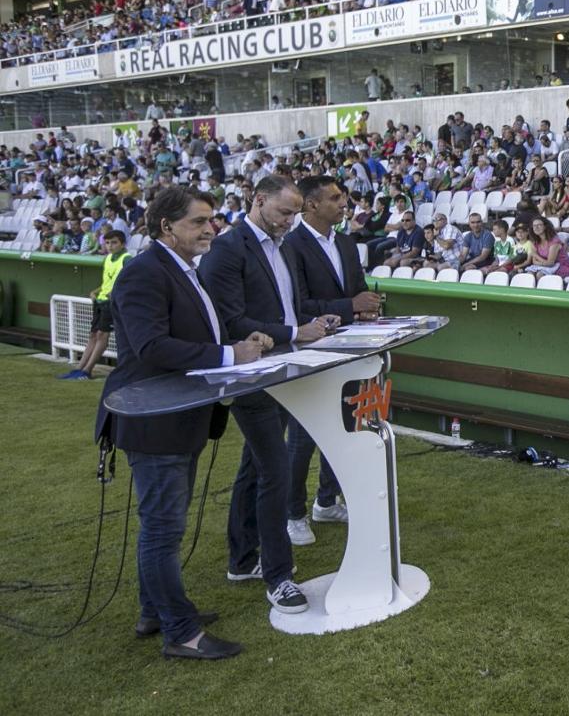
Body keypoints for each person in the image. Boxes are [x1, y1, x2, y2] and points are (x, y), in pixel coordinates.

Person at [97, 186, 270, 660]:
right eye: (199, 221)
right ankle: (181, 632)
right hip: (155, 422)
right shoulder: (142, 274)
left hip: (180, 418)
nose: (210, 228)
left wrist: (238, 342)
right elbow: (152, 347)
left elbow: (194, 334)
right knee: (162, 529)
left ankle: (154, 611)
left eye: (211, 220)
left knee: (160, 525)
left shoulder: (181, 270)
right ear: (166, 227)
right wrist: (229, 354)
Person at [199, 176, 336, 616]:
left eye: (295, 213)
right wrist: (295, 332)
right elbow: (230, 319)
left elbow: (290, 306)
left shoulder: (284, 244)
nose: (290, 221)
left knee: (255, 466)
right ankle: (279, 576)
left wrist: (320, 319)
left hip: (282, 367)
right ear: (258, 201)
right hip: (253, 373)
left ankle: (242, 560)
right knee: (274, 469)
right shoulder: (228, 247)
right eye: (283, 212)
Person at [282, 177, 382, 546]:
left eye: (343, 197)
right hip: (310, 354)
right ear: (310, 205)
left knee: (344, 427)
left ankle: (326, 500)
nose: (344, 204)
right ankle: (292, 513)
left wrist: (366, 306)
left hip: (349, 350)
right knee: (303, 437)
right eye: (335, 198)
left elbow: (354, 290)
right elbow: (296, 305)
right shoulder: (290, 246)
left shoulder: (345, 242)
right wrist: (350, 306)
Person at [59, 230, 131, 381]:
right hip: (100, 301)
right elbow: (107, 282)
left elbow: (131, 281)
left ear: (122, 244)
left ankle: (87, 370)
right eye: (107, 243)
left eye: (114, 242)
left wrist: (115, 292)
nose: (110, 246)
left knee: (102, 335)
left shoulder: (127, 259)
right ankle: (79, 369)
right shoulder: (108, 258)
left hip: (112, 303)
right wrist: (96, 291)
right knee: (92, 335)